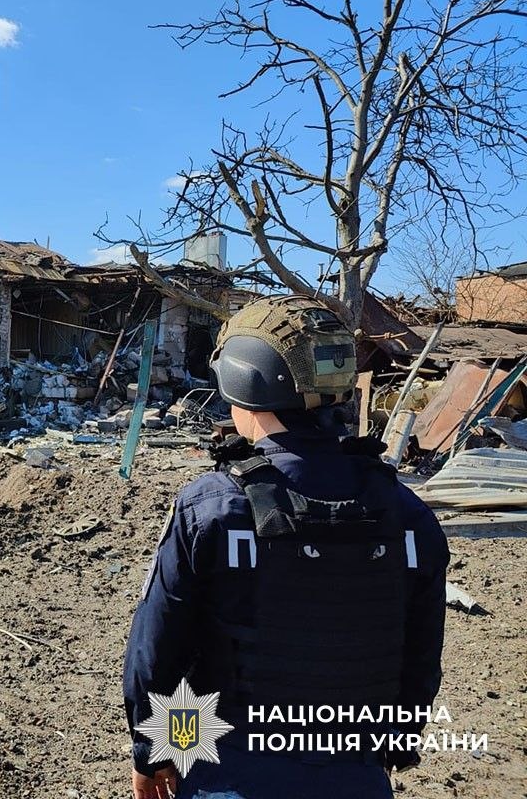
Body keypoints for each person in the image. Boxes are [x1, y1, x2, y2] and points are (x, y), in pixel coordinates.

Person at [122, 296, 448, 799]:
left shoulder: (212, 509)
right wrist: (387, 751)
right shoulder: (407, 514)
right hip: (356, 773)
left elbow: (163, 656)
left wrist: (158, 753)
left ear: (242, 383)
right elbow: (420, 659)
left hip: (226, 771)